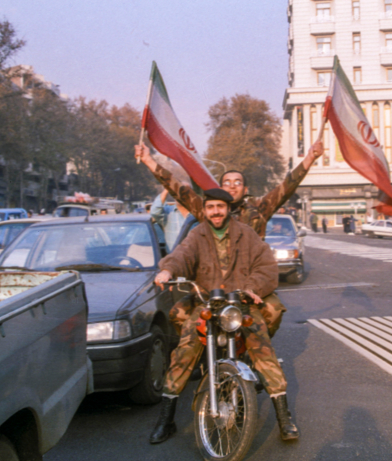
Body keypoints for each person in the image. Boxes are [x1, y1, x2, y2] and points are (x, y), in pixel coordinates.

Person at [150, 188, 299, 444]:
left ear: (228, 208)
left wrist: (251, 288)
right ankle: (166, 420)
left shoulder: (247, 234)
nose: (216, 212)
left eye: (220, 206)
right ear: (205, 210)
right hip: (208, 303)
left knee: (264, 352)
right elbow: (181, 256)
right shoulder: (198, 234)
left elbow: (266, 266)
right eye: (211, 207)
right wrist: (167, 271)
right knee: (183, 353)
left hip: (240, 304)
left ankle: (284, 420)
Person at [135, 140, 325, 339]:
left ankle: (254, 350)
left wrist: (310, 157)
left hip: (249, 286)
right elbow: (177, 189)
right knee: (180, 316)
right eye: (227, 182)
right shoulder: (209, 209)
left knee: (272, 313)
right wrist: (148, 160)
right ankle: (203, 353)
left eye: (238, 183)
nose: (232, 186)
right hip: (214, 287)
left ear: (245, 189)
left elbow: (288, 185)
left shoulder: (259, 209)